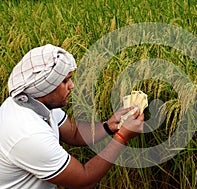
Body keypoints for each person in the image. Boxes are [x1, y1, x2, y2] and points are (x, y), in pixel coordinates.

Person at [0, 44, 144, 189]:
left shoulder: (35, 101)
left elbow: (74, 133)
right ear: (45, 87)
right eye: (65, 81)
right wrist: (122, 137)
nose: (72, 85)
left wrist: (108, 126)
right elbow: (84, 181)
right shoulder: (28, 134)